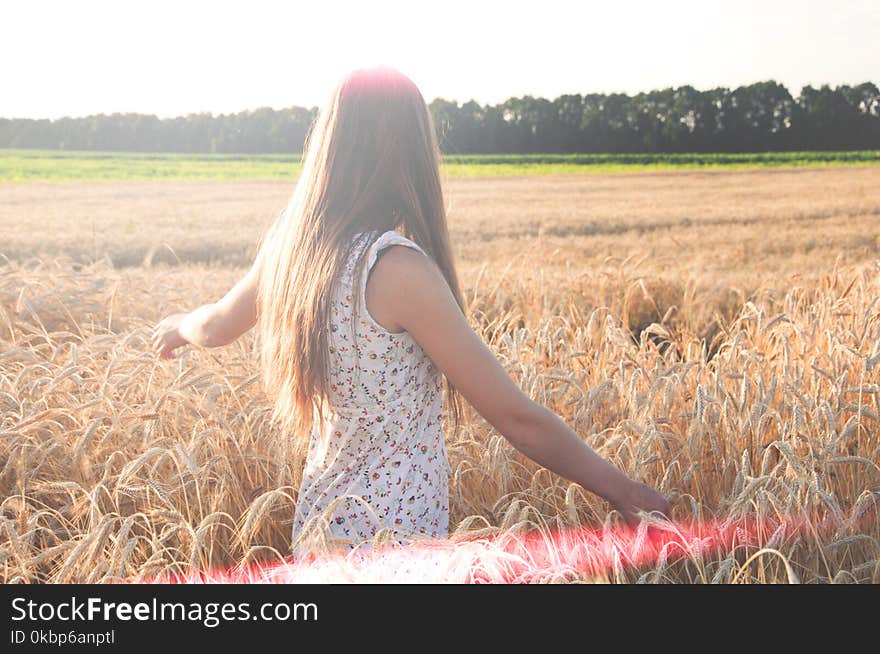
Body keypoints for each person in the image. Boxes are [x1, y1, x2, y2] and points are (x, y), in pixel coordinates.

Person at [151, 66, 669, 554]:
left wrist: (179, 326)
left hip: (319, 531)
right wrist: (622, 489)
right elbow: (516, 417)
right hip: (393, 543)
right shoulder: (395, 269)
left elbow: (217, 324)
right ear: (408, 152)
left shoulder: (294, 243)